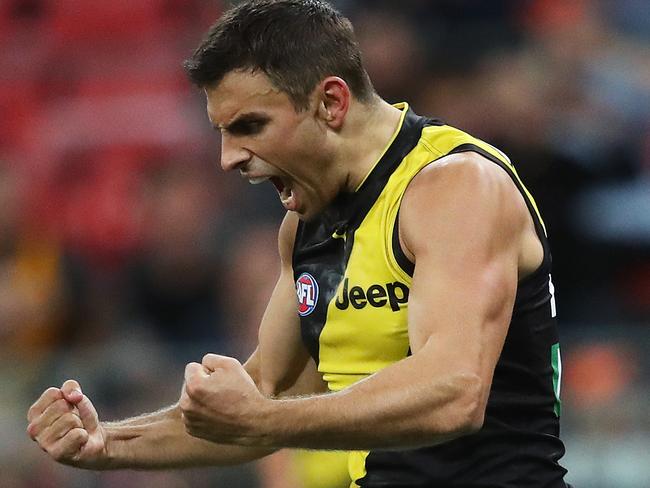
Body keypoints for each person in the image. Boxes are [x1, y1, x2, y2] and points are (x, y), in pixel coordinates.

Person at [26, 1, 570, 486]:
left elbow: (455, 394)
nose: (229, 157)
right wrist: (108, 445)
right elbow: (264, 397)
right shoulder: (306, 224)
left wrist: (260, 418)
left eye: (250, 126)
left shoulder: (456, 187)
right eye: (221, 132)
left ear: (331, 102)